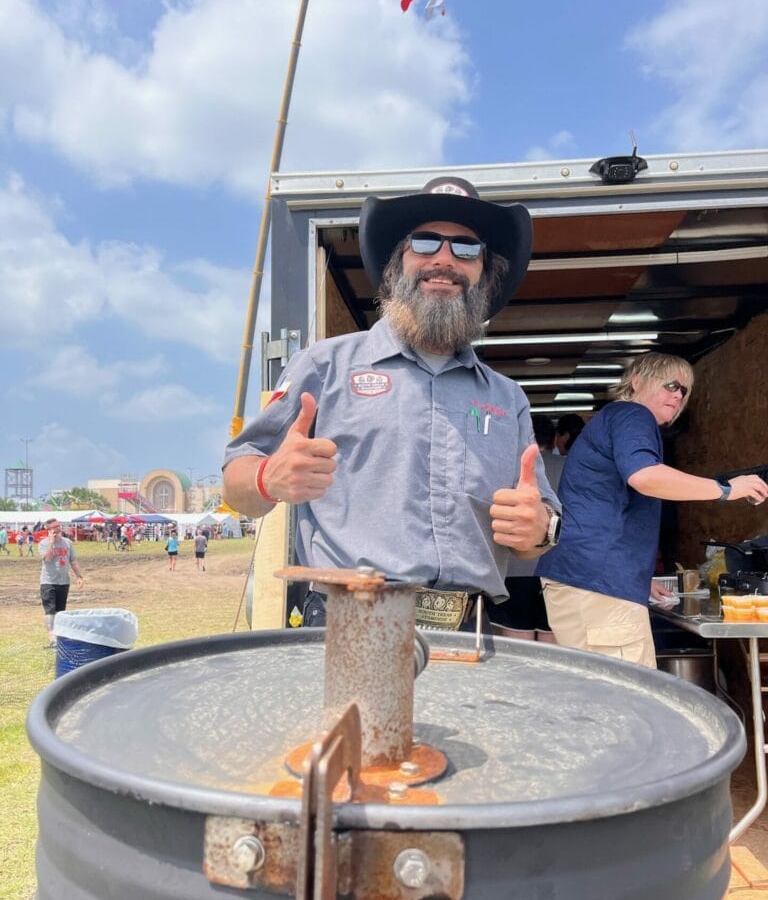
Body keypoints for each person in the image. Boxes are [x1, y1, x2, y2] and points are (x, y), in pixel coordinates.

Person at [222, 175, 561, 630]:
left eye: (466, 248)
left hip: (473, 634)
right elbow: (235, 484)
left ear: (485, 272)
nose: (444, 259)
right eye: (424, 243)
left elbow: (535, 532)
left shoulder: (507, 397)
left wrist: (538, 530)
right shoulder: (324, 366)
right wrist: (267, 477)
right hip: (353, 624)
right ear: (397, 263)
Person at [537, 353, 768, 668]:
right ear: (636, 382)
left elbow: (611, 502)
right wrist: (726, 491)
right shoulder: (633, 415)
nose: (678, 395)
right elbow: (645, 477)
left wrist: (636, 577)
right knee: (625, 704)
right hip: (597, 585)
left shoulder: (615, 421)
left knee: (599, 698)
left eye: (684, 390)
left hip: (589, 580)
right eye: (671, 385)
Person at [489, 415, 563, 643]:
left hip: (512, 570)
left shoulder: (501, 469)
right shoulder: (568, 466)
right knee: (552, 648)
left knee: (518, 646)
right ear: (554, 440)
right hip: (555, 571)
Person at [39, 518, 85, 647]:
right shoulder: (43, 543)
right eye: (54, 527)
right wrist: (52, 542)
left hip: (64, 582)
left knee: (60, 611)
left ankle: (59, 636)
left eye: (58, 526)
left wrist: (79, 576)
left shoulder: (68, 543)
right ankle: (52, 637)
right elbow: (47, 559)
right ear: (48, 530)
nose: (58, 528)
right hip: (48, 581)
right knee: (50, 610)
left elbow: (73, 561)